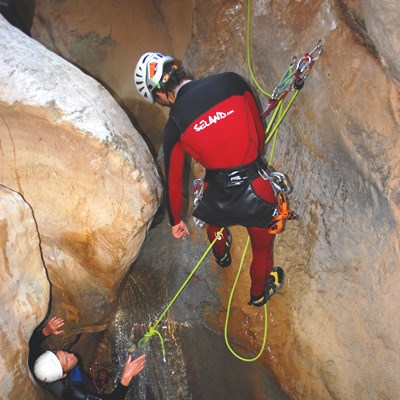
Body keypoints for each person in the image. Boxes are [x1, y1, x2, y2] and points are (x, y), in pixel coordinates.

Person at [134, 52, 285, 306]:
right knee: (261, 250)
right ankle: (258, 294)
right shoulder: (231, 81)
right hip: (257, 188)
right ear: (177, 69)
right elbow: (258, 135)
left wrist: (175, 220)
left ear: (160, 95)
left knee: (213, 221)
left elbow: (174, 180)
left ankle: (222, 255)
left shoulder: (174, 126)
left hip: (219, 195)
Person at [28, 316, 145, 399]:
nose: (72, 354)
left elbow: (32, 345)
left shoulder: (40, 362)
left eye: (64, 352)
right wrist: (126, 378)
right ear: (63, 375)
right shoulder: (74, 393)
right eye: (67, 360)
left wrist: (47, 331)